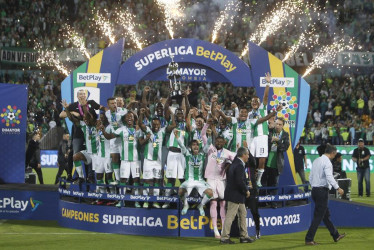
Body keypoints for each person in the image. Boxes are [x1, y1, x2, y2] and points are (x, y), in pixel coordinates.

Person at [305, 144, 346, 245]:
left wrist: (314, 186)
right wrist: (338, 188)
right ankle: (309, 239)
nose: (335, 156)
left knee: (325, 215)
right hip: (322, 191)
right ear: (332, 153)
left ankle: (335, 235)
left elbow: (310, 177)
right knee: (318, 216)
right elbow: (329, 177)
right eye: (335, 154)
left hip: (314, 190)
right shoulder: (327, 162)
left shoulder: (316, 160)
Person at [202, 119, 236, 238]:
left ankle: (223, 230)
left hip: (222, 181)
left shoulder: (228, 153)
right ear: (215, 141)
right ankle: (216, 230)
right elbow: (202, 135)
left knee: (223, 204)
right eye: (218, 141)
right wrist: (207, 124)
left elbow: (237, 160)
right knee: (213, 203)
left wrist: (230, 164)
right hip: (210, 179)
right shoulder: (210, 149)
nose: (219, 143)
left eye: (221, 141)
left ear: (224, 142)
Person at [220, 147, 255, 244]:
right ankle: (224, 237)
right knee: (230, 216)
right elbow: (239, 181)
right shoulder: (239, 165)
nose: (248, 156)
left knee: (243, 214)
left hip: (237, 195)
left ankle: (244, 236)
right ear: (243, 155)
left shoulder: (236, 163)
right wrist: (246, 190)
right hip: (235, 195)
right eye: (247, 154)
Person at [175, 130, 213, 216]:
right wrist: (177, 137)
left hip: (200, 181)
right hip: (189, 180)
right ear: (190, 147)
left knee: (210, 193)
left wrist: (210, 135)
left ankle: (201, 205)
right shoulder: (187, 154)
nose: (195, 146)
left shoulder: (202, 154)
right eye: (193, 145)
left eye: (197, 145)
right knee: (180, 191)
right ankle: (186, 205)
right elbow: (181, 145)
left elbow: (208, 144)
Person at [264, 117, 290, 208]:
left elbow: (284, 148)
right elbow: (265, 143)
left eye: (280, 124)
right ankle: (263, 202)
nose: (278, 126)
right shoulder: (269, 131)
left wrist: (278, 141)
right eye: (277, 124)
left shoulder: (285, 135)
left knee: (274, 183)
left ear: (283, 125)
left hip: (277, 162)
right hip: (265, 160)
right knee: (264, 182)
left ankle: (273, 202)